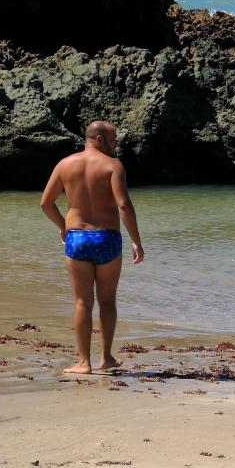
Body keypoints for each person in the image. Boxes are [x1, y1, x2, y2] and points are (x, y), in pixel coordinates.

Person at [40, 121, 145, 374]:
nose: (116, 144)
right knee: (107, 302)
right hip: (107, 238)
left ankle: (84, 363)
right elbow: (124, 206)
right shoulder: (113, 166)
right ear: (99, 139)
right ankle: (106, 358)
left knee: (82, 303)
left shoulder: (65, 164)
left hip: (77, 238)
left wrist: (64, 226)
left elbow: (46, 203)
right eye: (113, 140)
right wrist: (136, 241)